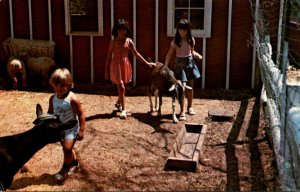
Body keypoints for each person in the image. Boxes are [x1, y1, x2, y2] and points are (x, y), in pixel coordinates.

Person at [105, 18, 156, 119]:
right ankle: (123, 110)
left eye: (124, 30)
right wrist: (106, 71)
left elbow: (136, 54)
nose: (122, 32)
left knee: (123, 87)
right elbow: (108, 57)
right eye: (120, 30)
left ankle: (118, 103)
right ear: (116, 31)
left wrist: (147, 63)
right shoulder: (113, 42)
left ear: (127, 30)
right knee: (122, 87)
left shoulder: (129, 41)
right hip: (115, 66)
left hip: (125, 65)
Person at [47, 68, 85, 181]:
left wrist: (82, 130)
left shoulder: (72, 99)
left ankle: (65, 168)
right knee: (66, 147)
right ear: (52, 84)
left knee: (67, 149)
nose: (59, 88)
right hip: (60, 128)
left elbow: (81, 114)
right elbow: (50, 112)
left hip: (71, 128)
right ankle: (74, 163)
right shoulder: (52, 98)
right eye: (56, 85)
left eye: (63, 85)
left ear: (69, 85)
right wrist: (47, 121)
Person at [164, 19, 202, 121]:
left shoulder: (191, 40)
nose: (182, 32)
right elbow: (169, 54)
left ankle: (190, 107)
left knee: (190, 87)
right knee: (182, 88)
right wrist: (165, 65)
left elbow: (192, 52)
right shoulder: (175, 42)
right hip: (179, 65)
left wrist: (197, 55)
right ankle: (182, 112)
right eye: (181, 29)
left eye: (184, 30)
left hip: (189, 64)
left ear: (188, 30)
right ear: (178, 30)